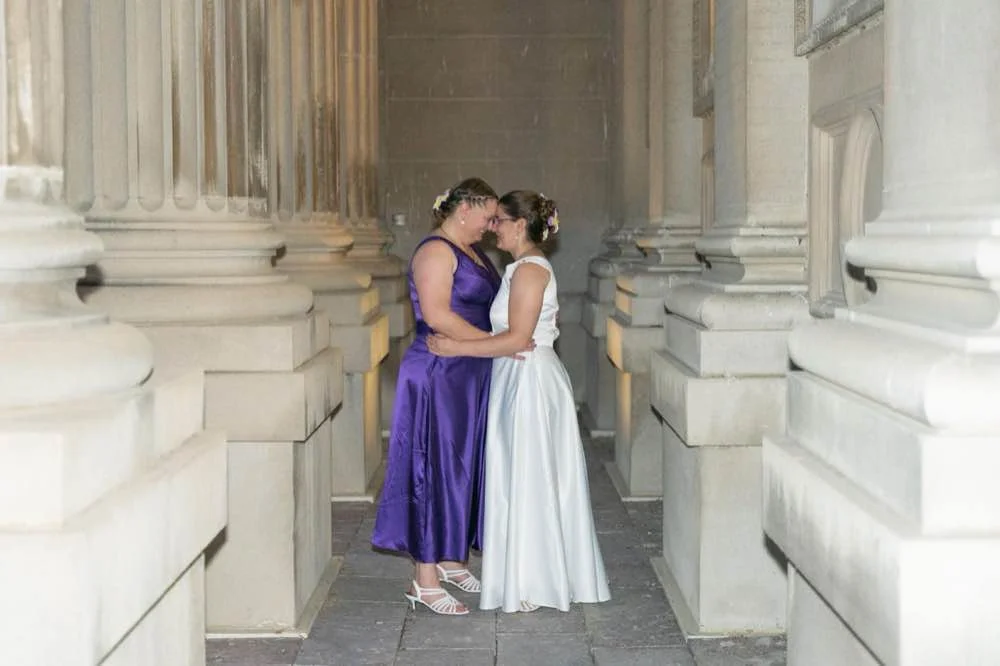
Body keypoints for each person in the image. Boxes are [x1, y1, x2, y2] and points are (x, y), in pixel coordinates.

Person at [428, 191, 611, 613]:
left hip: (530, 380)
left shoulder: (529, 270)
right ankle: (527, 573)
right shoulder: (518, 269)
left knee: (530, 476)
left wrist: (454, 348)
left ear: (518, 224)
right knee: (519, 475)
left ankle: (534, 580)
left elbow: (516, 339)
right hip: (516, 375)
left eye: (499, 221)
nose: (493, 228)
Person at [371, 177, 531, 616]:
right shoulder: (435, 251)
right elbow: (439, 315)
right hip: (438, 371)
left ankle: (450, 557)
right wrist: (494, 343)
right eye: (488, 215)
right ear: (466, 209)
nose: (491, 224)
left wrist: (487, 349)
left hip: (467, 370)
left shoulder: (471, 251)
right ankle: (424, 579)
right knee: (432, 467)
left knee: (462, 466)